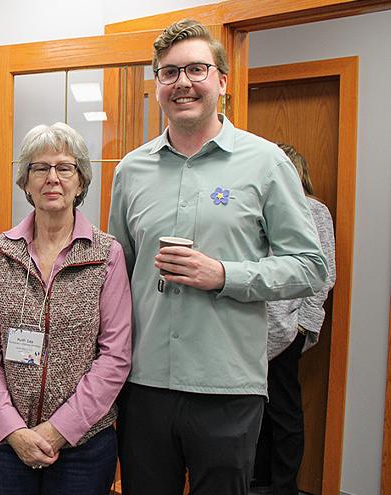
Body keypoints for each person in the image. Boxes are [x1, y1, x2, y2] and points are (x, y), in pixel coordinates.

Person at [107, 19, 329, 495]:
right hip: (144, 383)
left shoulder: (267, 163)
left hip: (228, 387)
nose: (182, 83)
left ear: (222, 82)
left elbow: (312, 266)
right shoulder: (131, 170)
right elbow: (117, 275)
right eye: (169, 73)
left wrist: (224, 274)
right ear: (157, 83)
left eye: (196, 69)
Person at [0, 123, 132, 494]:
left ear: (81, 181)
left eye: (64, 167)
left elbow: (116, 356)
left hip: (84, 444)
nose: (52, 178)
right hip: (4, 443)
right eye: (39, 168)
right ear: (26, 183)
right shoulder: (2, 253)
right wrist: (11, 428)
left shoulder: (106, 255)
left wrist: (59, 430)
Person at [252, 144, 337, 495]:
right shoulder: (259, 206)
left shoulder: (314, 210)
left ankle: (284, 486)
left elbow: (322, 272)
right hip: (252, 327)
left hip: (287, 329)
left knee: (284, 410)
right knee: (253, 410)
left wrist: (303, 324)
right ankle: (258, 481)